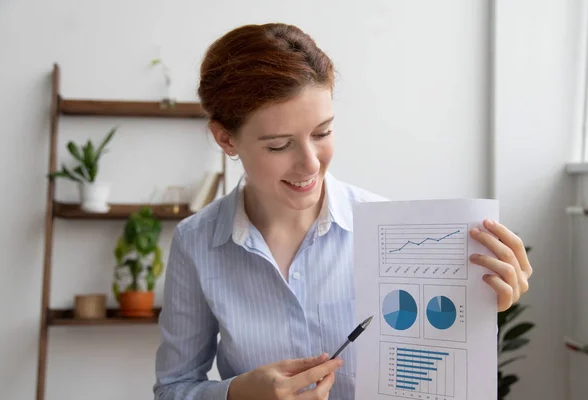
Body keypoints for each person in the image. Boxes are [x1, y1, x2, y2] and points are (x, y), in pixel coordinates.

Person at [153, 23, 532, 400]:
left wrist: (479, 309)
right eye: (280, 145)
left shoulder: (391, 230)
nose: (310, 164)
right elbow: (173, 388)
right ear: (226, 139)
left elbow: (431, 366)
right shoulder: (197, 241)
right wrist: (238, 394)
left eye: (322, 133)